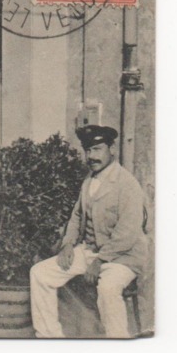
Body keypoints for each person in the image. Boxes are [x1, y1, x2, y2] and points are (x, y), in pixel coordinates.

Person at [29, 124, 148, 339]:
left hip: (123, 257)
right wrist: (67, 245)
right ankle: (49, 338)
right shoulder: (89, 180)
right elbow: (76, 216)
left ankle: (118, 344)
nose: (91, 156)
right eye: (88, 150)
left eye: (97, 149)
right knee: (40, 273)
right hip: (91, 251)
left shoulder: (127, 184)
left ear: (112, 149)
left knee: (108, 289)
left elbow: (127, 233)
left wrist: (101, 261)